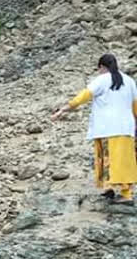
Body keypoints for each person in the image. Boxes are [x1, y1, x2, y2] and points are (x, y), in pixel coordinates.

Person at [52, 54, 137, 205]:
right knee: (124, 160)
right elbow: (135, 105)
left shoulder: (102, 79)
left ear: (102, 67)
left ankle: (114, 189)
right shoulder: (130, 81)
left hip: (107, 127)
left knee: (105, 158)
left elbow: (83, 96)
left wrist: (64, 109)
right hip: (126, 127)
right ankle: (122, 191)